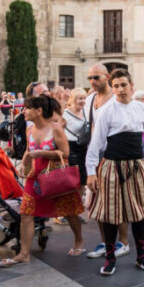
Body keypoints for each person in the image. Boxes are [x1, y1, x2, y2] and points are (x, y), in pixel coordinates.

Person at [86, 69, 144, 276]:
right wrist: (91, 171)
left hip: (135, 167)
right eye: (116, 86)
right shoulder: (107, 111)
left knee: (138, 213)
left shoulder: (141, 108)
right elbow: (96, 144)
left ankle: (141, 256)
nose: (119, 89)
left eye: (123, 85)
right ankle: (110, 258)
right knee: (110, 215)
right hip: (112, 167)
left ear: (131, 86)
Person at [0, 96, 85, 266]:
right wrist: (24, 163)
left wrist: (41, 154)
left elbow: (65, 153)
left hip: (56, 176)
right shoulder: (29, 130)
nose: (23, 112)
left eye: (27, 108)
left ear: (39, 111)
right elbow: (30, 151)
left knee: (69, 211)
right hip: (35, 176)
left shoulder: (55, 129)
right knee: (26, 213)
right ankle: (24, 254)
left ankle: (79, 241)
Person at [83, 64, 130, 260]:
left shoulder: (117, 100)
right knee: (98, 201)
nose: (93, 82)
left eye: (97, 77)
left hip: (115, 154)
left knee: (117, 201)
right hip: (96, 155)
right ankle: (106, 242)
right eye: (90, 78)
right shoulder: (90, 99)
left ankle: (124, 242)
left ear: (107, 77)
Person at [62, 87, 90, 236]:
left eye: (84, 98)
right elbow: (58, 132)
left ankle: (75, 210)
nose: (83, 101)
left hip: (84, 148)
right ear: (72, 99)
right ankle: (66, 211)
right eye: (80, 98)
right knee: (72, 183)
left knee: (82, 183)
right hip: (70, 149)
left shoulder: (85, 111)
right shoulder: (64, 114)